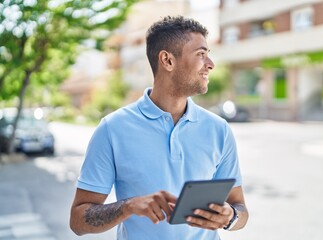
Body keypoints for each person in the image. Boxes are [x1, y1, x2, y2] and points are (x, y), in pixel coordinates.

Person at [70, 15, 248, 240]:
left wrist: (230, 216)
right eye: (201, 54)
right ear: (167, 60)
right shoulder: (112, 129)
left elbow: (240, 209)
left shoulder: (219, 129)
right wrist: (129, 206)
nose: (210, 64)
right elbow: (78, 221)